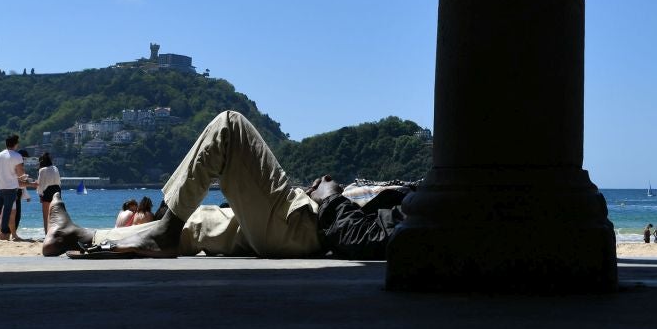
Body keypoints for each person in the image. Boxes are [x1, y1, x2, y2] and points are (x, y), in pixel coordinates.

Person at [43, 110, 408, 259]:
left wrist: (331, 199)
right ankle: (78, 234)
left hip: (306, 228)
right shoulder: (436, 208)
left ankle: (164, 231)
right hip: (298, 225)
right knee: (196, 224)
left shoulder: (444, 220)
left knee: (228, 126)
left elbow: (368, 240)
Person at [0, 134, 27, 242]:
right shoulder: (17, 156)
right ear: (15, 144)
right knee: (7, 212)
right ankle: (3, 234)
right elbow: (21, 173)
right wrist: (23, 177)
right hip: (10, 188)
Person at [36, 153, 62, 232]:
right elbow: (59, 182)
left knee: (46, 215)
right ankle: (56, 232)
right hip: (57, 190)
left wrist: (40, 195)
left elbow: (40, 184)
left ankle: (47, 233)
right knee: (56, 214)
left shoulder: (42, 170)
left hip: (48, 191)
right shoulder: (55, 168)